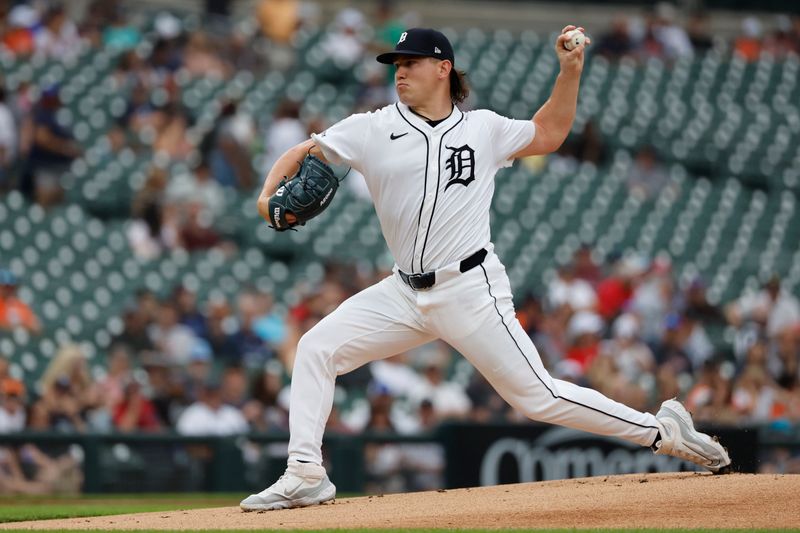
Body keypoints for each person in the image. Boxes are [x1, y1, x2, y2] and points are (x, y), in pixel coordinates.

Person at [241, 26, 731, 512]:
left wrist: (569, 72)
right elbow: (305, 151)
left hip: (470, 290)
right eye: (397, 64)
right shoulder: (371, 127)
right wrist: (267, 198)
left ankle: (663, 433)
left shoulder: (483, 129)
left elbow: (549, 133)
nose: (400, 72)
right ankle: (304, 472)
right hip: (403, 292)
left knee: (538, 398)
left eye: (410, 62)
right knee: (316, 347)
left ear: (443, 68)